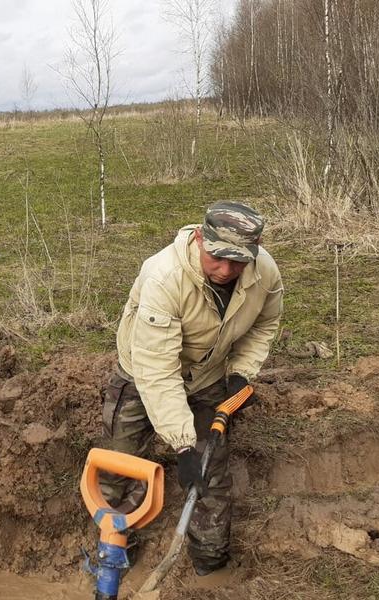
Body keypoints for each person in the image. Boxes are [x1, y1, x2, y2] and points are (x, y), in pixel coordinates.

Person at [100, 201, 283, 576]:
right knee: (122, 465)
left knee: (211, 471)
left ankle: (210, 565)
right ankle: (116, 553)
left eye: (239, 261)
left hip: (208, 376)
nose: (227, 270)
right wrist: (182, 443)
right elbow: (158, 371)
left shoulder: (264, 272)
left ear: (255, 250)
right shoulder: (163, 277)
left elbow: (265, 324)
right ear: (200, 238)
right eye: (218, 257)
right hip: (143, 373)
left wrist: (241, 372)